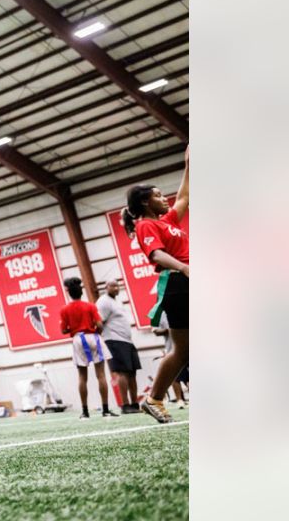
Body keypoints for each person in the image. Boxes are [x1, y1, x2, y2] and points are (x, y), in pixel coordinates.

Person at [123, 148, 189, 423]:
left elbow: (184, 196)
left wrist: (188, 164)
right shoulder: (146, 226)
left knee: (183, 351)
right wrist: (185, 267)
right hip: (180, 283)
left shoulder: (167, 221)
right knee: (183, 350)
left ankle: (153, 399)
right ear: (146, 203)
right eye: (159, 195)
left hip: (186, 281)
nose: (165, 198)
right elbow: (156, 255)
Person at [58, 278, 116, 418]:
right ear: (81, 292)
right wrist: (97, 334)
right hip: (93, 337)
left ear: (69, 293)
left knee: (82, 377)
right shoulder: (90, 306)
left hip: (78, 339)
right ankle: (105, 410)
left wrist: (74, 326)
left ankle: (85, 412)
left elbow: (64, 331)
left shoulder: (64, 309)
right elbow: (100, 324)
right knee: (101, 375)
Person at [96, 279, 141, 413]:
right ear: (106, 287)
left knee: (132, 372)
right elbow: (98, 322)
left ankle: (134, 404)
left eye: (118, 285)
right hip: (114, 340)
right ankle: (125, 405)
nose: (116, 288)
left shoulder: (117, 301)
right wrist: (101, 340)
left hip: (127, 341)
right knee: (122, 372)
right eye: (113, 286)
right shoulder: (103, 301)